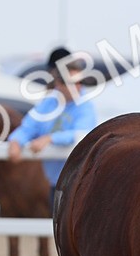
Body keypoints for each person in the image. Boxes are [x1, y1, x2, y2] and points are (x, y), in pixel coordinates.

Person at [7, 47, 97, 210]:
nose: (77, 87)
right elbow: (29, 126)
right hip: (55, 182)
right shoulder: (49, 103)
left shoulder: (86, 106)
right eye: (71, 83)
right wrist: (15, 141)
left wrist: (49, 138)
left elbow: (81, 135)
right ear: (58, 84)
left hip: (79, 183)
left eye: (79, 82)